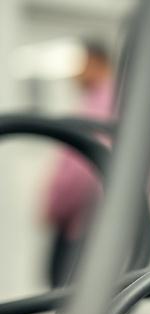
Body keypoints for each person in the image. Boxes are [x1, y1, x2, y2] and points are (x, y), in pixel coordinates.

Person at [41, 40, 116, 286]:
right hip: (109, 218)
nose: (75, 73)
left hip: (83, 219)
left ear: (96, 62)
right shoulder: (120, 101)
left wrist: (55, 207)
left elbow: (81, 168)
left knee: (67, 295)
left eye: (79, 64)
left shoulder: (100, 104)